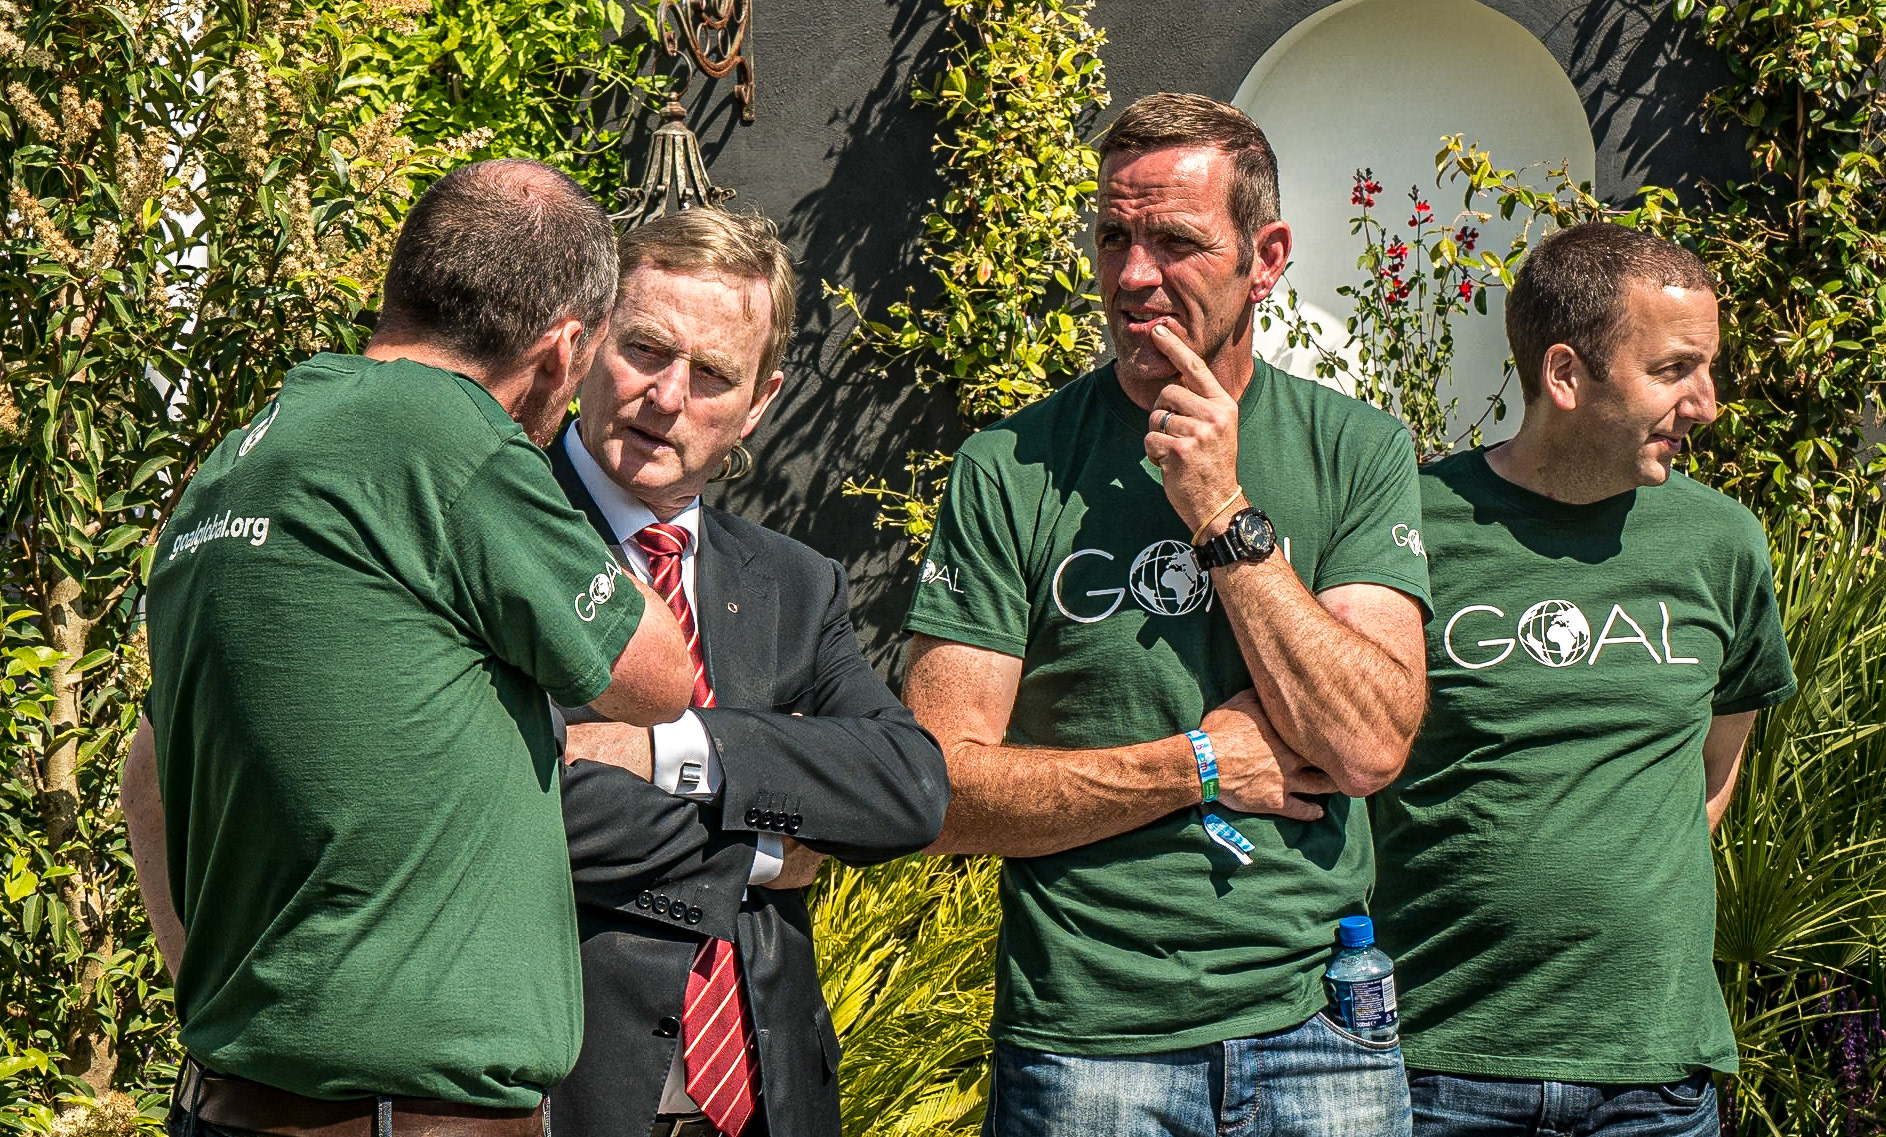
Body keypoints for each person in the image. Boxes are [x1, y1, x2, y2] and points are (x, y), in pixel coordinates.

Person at [120, 159, 696, 1137]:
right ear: (561, 351)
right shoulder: (453, 439)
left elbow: (148, 777)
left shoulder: (243, 458)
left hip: (233, 1101)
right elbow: (654, 675)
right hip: (409, 1117)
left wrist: (237, 1010)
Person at [901, 91, 1431, 1137]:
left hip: (1321, 1031)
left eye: (1175, 242)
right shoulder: (1010, 469)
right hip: (1089, 1042)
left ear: (1264, 257)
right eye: (1112, 237)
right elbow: (939, 794)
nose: (1131, 276)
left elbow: (1368, 743)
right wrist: (1195, 762)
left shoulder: (1354, 451)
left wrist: (1221, 513)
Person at [1370, 222, 1797, 1135]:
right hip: (1438, 1065)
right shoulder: (1409, 528)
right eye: (1676, 370)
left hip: (1653, 1075)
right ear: (1565, 376)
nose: (1709, 403)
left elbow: (1714, 768)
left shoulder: (1722, 545)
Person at [548, 207, 950, 1137]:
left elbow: (911, 785)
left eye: (715, 375)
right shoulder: (494, 529)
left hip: (769, 1104)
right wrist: (769, 843)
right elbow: (515, 804)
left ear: (759, 404)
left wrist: (679, 750)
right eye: (646, 349)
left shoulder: (796, 585)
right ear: (588, 336)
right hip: (567, 1094)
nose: (668, 395)